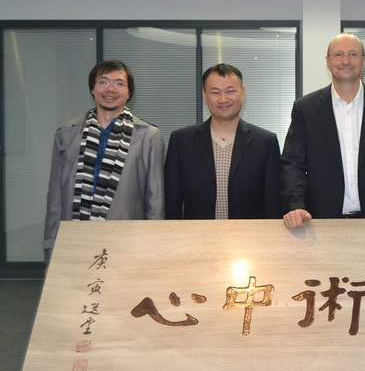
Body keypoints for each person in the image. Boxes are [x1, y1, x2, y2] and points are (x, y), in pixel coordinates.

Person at [281, 32, 365, 228]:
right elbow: (292, 164)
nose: (346, 61)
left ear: (363, 62)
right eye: (338, 54)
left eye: (353, 54)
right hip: (320, 223)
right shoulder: (306, 109)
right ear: (328, 62)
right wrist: (296, 206)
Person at [43, 60, 164, 263]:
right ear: (93, 89)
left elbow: (155, 199)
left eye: (119, 83)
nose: (110, 89)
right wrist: (51, 254)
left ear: (129, 92)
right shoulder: (66, 134)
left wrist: (153, 251)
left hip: (127, 241)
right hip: (75, 241)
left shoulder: (149, 136)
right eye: (104, 82)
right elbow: (55, 198)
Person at [165, 63, 281, 219]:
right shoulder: (181, 141)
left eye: (230, 91)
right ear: (205, 96)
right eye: (215, 92)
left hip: (249, 234)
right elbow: (172, 202)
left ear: (243, 92)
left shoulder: (266, 142)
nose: (223, 99)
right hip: (196, 233)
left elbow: (273, 203)